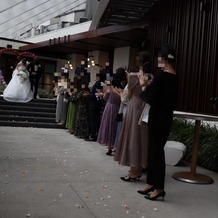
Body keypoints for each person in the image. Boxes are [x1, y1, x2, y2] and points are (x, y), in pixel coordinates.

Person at [137, 45, 179, 201]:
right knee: (153, 149)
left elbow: (149, 95)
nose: (157, 61)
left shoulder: (162, 76)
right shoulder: (174, 76)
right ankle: (151, 182)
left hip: (158, 117)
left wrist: (142, 82)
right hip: (165, 117)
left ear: (164, 59)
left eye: (159, 58)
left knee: (156, 152)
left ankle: (159, 187)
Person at [114, 69, 149, 181]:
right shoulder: (150, 76)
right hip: (143, 107)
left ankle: (133, 172)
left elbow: (128, 96)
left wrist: (130, 80)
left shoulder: (133, 77)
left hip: (134, 106)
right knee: (140, 138)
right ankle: (138, 169)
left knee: (133, 138)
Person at [97, 68, 127, 155]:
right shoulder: (124, 86)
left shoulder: (111, 85)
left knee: (108, 126)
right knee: (116, 128)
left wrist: (102, 94)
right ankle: (116, 146)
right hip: (118, 108)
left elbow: (106, 97)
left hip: (109, 107)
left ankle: (109, 147)